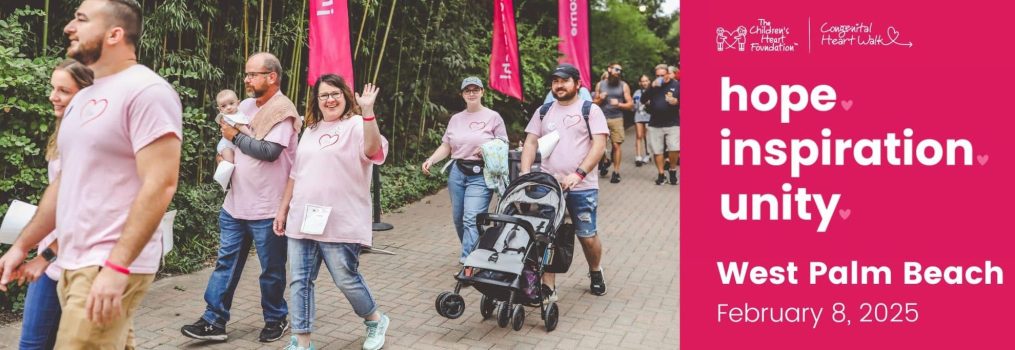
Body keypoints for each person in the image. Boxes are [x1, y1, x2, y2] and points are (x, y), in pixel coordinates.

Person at [0, 1, 183, 348]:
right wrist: (22, 245)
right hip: (73, 259)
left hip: (106, 262)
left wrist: (117, 267)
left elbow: (161, 183)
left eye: (81, 20)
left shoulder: (147, 91)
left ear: (115, 34)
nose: (69, 27)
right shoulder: (83, 100)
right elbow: (64, 184)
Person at [181, 52, 300, 343]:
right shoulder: (244, 105)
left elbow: (269, 152)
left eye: (252, 74)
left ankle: (275, 318)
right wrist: (223, 153)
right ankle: (214, 320)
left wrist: (233, 136)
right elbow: (227, 134)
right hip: (235, 205)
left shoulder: (282, 110)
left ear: (271, 77)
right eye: (246, 74)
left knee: (271, 271)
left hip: (268, 208)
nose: (246, 79)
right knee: (226, 264)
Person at [273, 74, 390, 350]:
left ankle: (375, 319)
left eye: (335, 93)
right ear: (317, 100)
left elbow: (373, 150)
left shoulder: (357, 125)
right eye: (324, 95)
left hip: (341, 218)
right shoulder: (310, 131)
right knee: (300, 281)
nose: (330, 99)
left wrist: (369, 112)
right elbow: (295, 174)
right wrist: (282, 209)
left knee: (345, 278)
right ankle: (301, 342)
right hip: (303, 217)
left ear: (346, 96)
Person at [14, 59, 93, 350]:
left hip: (78, 264)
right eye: (52, 88)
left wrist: (44, 256)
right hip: (51, 258)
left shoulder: (93, 143)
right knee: (33, 343)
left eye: (63, 90)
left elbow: (88, 214)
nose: (53, 96)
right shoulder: (63, 131)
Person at [521, 63, 608, 298]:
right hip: (549, 187)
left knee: (586, 236)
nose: (559, 85)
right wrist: (526, 172)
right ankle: (548, 286)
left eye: (564, 80)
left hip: (583, 187)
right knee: (546, 235)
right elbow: (530, 142)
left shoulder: (590, 110)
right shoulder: (544, 111)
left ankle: (595, 270)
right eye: (555, 81)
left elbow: (599, 145)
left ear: (577, 84)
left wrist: (578, 174)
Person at [422, 77, 508, 263]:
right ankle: (476, 249)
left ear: (482, 92)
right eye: (467, 90)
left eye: (475, 89)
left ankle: (469, 262)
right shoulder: (456, 119)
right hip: (457, 173)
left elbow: (503, 143)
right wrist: (431, 160)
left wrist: (487, 149)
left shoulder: (493, 117)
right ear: (462, 94)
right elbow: (447, 145)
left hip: (481, 174)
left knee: (471, 218)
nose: (471, 93)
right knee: (459, 219)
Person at [593, 62, 633, 183]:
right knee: (601, 146)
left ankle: (616, 172)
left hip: (617, 118)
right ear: (609, 69)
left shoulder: (623, 85)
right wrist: (600, 98)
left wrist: (619, 104)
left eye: (620, 70)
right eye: (616, 69)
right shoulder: (600, 85)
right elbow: (594, 103)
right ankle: (605, 161)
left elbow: (630, 104)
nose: (618, 72)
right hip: (601, 119)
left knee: (616, 145)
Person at [644, 64, 680, 185]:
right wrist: (650, 88)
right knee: (657, 150)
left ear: (668, 74)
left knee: (674, 147)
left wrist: (677, 102)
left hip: (672, 122)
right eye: (657, 75)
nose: (660, 78)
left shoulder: (676, 85)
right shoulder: (653, 86)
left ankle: (672, 169)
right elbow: (643, 100)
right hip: (655, 123)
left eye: (662, 75)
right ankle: (661, 174)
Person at [213, 89, 254, 164]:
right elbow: (240, 127)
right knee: (228, 163)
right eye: (224, 106)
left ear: (238, 103)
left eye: (231, 103)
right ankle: (222, 175)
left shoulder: (238, 113)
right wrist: (251, 135)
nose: (228, 107)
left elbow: (246, 120)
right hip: (227, 147)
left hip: (233, 144)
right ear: (220, 109)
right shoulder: (227, 117)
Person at [632, 75, 652, 166]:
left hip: (649, 116)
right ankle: (638, 156)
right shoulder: (637, 92)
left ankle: (648, 155)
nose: (644, 83)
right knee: (639, 136)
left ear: (649, 81)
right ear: (640, 83)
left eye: (646, 80)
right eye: (643, 81)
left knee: (647, 136)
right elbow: (634, 106)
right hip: (639, 116)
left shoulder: (653, 90)